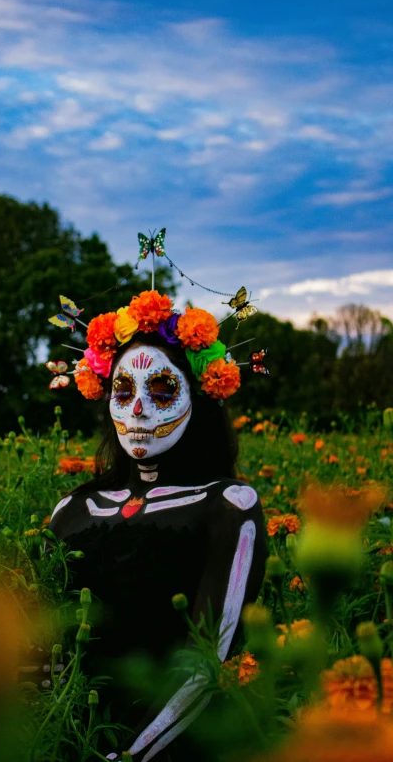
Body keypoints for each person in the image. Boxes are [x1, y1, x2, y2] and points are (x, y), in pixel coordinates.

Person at [48, 291, 266, 761]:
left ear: (200, 397)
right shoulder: (71, 511)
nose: (138, 409)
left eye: (163, 390)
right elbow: (47, 645)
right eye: (123, 391)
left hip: (189, 743)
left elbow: (206, 660)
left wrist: (129, 757)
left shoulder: (229, 506)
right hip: (78, 737)